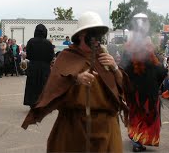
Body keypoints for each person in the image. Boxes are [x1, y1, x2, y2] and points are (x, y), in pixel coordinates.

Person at [22, 12, 127, 152]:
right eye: (93, 35)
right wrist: (76, 79)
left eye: (99, 35)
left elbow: (122, 89)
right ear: (82, 36)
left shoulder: (104, 57)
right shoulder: (66, 57)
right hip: (74, 128)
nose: (97, 41)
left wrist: (114, 68)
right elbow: (54, 88)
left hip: (106, 128)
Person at [120, 13, 167, 152]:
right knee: (145, 117)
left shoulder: (129, 50)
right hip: (147, 92)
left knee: (136, 115)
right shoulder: (150, 51)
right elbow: (161, 71)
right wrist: (157, 84)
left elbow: (122, 70)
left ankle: (136, 140)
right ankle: (137, 141)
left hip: (134, 92)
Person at [23, 24, 54, 108]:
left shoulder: (31, 41)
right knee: (44, 85)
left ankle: (32, 103)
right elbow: (51, 56)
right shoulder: (48, 43)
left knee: (32, 85)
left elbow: (28, 55)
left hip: (33, 66)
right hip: (45, 67)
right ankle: (43, 103)